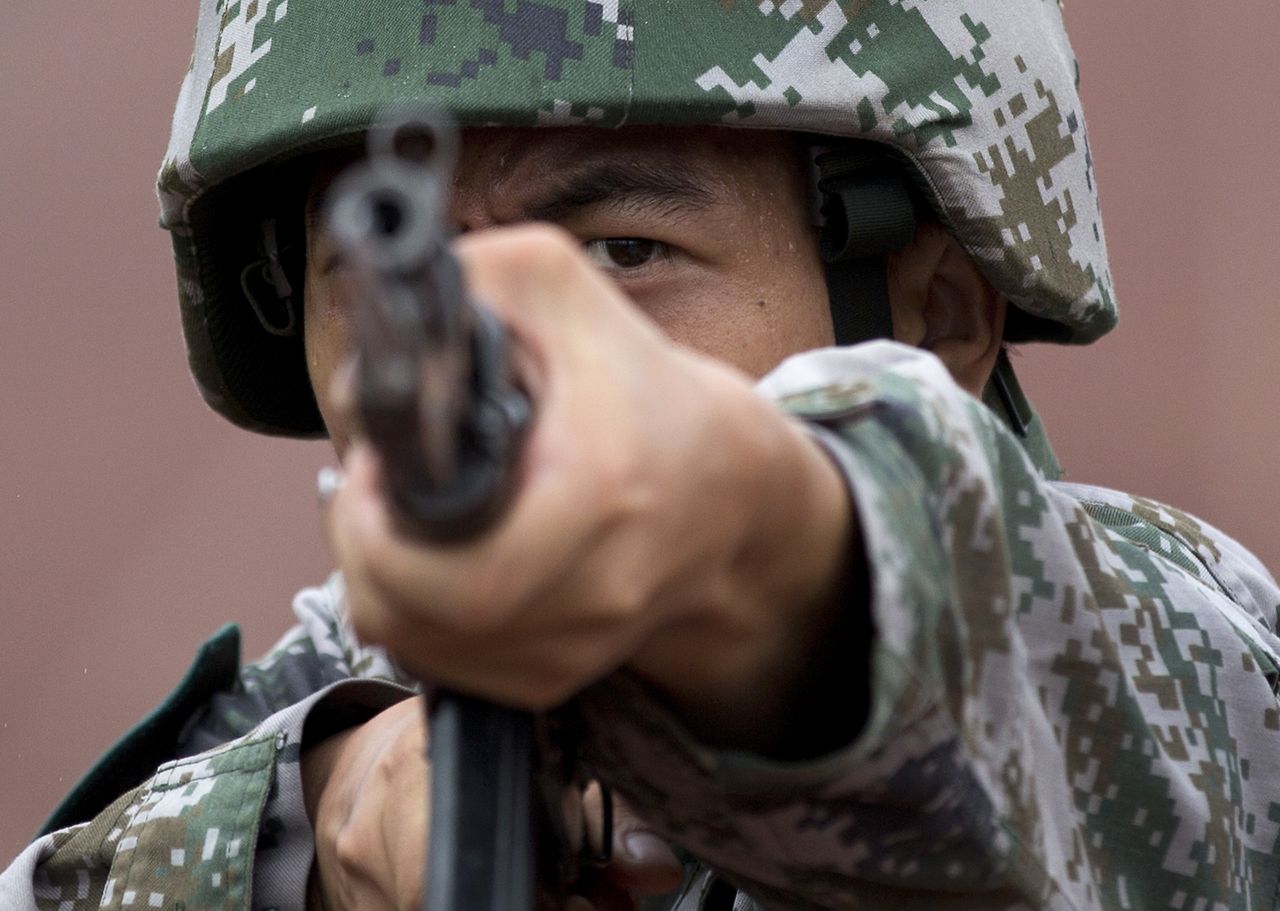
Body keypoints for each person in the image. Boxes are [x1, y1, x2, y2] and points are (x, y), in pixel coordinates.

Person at [6, 2, 1280, 909]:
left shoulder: (1161, 654)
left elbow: (1003, 657)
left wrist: (745, 543)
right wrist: (316, 833)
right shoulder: (295, 742)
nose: (495, 346)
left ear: (935, 313)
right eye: (398, 278)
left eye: (623, 251)